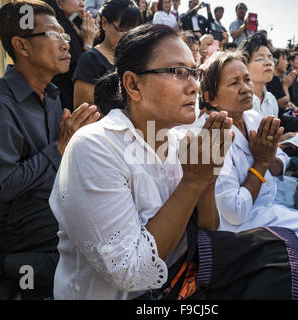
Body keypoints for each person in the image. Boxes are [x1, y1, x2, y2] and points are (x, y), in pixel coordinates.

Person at [50, 23, 234, 299]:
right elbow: (132, 272)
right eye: (177, 72)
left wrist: (207, 179)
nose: (194, 86)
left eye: (194, 72)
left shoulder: (179, 142)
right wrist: (193, 181)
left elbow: (207, 232)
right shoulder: (96, 146)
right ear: (133, 85)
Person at [0, 0, 100, 300]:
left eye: (65, 35)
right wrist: (60, 147)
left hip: (44, 206)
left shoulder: (53, 96)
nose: (65, 44)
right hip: (7, 217)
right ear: (22, 45)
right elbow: (5, 186)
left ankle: (11, 277)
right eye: (54, 35)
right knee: (93, 257)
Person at [198, 51, 298, 284]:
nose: (245, 88)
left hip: (268, 206)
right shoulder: (212, 136)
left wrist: (269, 157)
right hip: (239, 227)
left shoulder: (252, 117)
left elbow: (280, 164)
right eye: (234, 83)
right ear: (211, 97)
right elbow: (235, 212)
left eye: (246, 80)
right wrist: (261, 163)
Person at [73, 0, 141, 110]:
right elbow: (84, 111)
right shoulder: (91, 60)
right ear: (104, 23)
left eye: (133, 32)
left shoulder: (134, 58)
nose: (128, 37)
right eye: (123, 30)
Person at [44, 0, 98, 111]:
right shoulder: (60, 29)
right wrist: (88, 43)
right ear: (59, 3)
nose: (82, 4)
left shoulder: (77, 22)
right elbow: (78, 74)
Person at [240, 32, 279, 118]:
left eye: (270, 58)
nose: (269, 63)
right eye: (260, 59)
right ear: (244, 64)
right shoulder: (238, 102)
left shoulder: (271, 99)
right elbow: (213, 131)